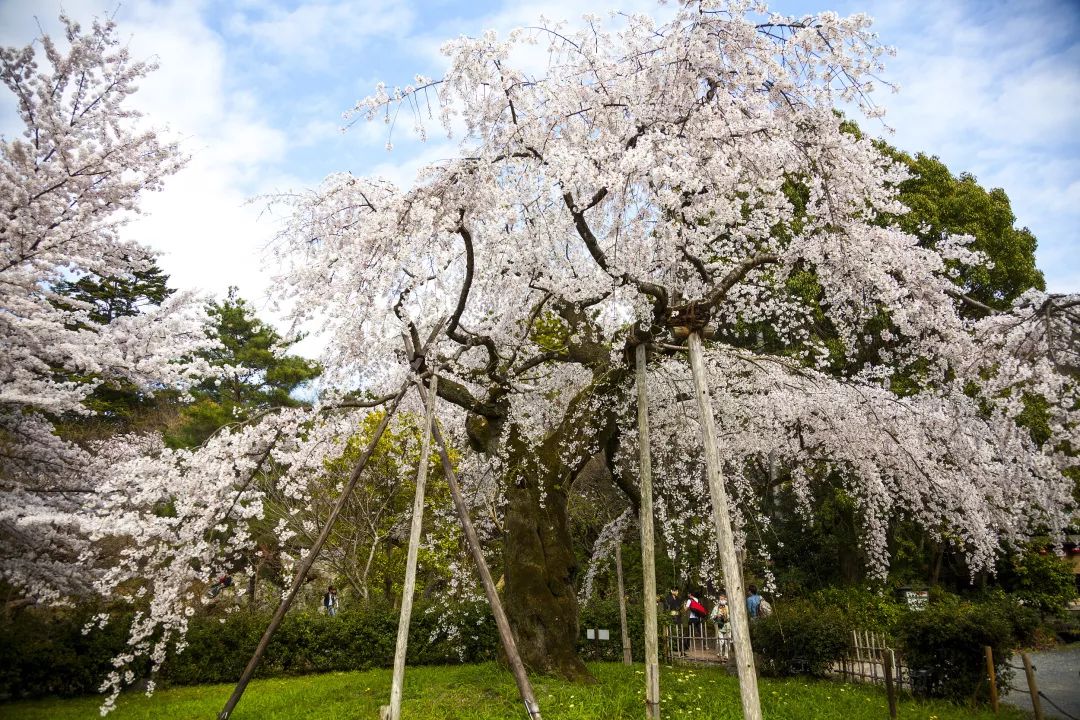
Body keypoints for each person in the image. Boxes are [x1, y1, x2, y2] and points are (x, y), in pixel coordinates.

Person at [709, 590, 731, 661]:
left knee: (727, 641)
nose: (722, 600)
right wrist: (716, 616)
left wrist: (727, 616)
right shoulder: (716, 607)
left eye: (723, 599)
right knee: (720, 641)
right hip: (719, 626)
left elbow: (732, 616)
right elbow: (711, 616)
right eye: (720, 599)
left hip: (727, 625)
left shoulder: (729, 608)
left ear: (726, 599)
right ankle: (720, 653)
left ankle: (726, 654)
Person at [662, 588, 683, 654]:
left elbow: (680, 608)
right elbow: (666, 608)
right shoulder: (668, 598)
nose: (677, 592)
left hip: (678, 618)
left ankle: (681, 649)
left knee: (679, 633)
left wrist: (680, 610)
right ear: (671, 591)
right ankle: (670, 649)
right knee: (670, 633)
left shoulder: (678, 599)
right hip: (671, 618)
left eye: (677, 590)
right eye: (675, 590)